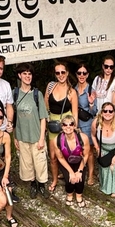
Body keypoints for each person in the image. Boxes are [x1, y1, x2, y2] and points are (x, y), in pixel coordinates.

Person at [12, 63, 49, 198]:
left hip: (36, 135)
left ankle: (42, 185)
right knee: (27, 163)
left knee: (40, 162)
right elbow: (13, 117)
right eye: (25, 74)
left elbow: (43, 118)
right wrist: (14, 137)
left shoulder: (37, 94)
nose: (27, 76)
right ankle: (33, 184)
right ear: (19, 75)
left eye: (29, 74)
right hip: (22, 136)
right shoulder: (15, 94)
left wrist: (41, 138)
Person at [45, 62, 78, 193]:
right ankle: (54, 179)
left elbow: (75, 113)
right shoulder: (50, 86)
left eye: (63, 72)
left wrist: (74, 129)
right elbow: (46, 106)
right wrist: (46, 122)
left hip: (67, 126)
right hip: (53, 125)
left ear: (67, 73)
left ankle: (69, 175)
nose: (60, 75)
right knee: (53, 156)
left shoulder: (72, 92)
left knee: (67, 153)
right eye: (57, 72)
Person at [91, 102, 115, 197]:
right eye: (105, 111)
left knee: (113, 166)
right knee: (104, 166)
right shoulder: (96, 122)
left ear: (114, 112)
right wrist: (97, 147)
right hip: (103, 147)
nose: (108, 113)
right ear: (101, 112)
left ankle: (114, 188)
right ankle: (104, 186)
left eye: (110, 111)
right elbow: (93, 135)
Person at [54, 114, 89, 207]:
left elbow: (86, 155)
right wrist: (71, 172)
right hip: (66, 161)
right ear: (62, 126)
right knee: (70, 180)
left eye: (71, 124)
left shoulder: (83, 138)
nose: (68, 127)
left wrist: (80, 171)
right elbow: (60, 158)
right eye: (65, 124)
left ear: (74, 126)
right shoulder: (57, 140)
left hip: (79, 160)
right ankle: (69, 194)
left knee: (79, 180)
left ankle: (79, 195)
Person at [74, 63, 97, 186]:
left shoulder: (91, 90)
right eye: (79, 73)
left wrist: (91, 104)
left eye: (84, 73)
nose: (81, 75)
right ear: (76, 74)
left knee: (89, 151)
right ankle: (77, 171)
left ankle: (91, 175)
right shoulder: (73, 89)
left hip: (87, 124)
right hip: (76, 124)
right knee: (77, 149)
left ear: (87, 75)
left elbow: (94, 112)